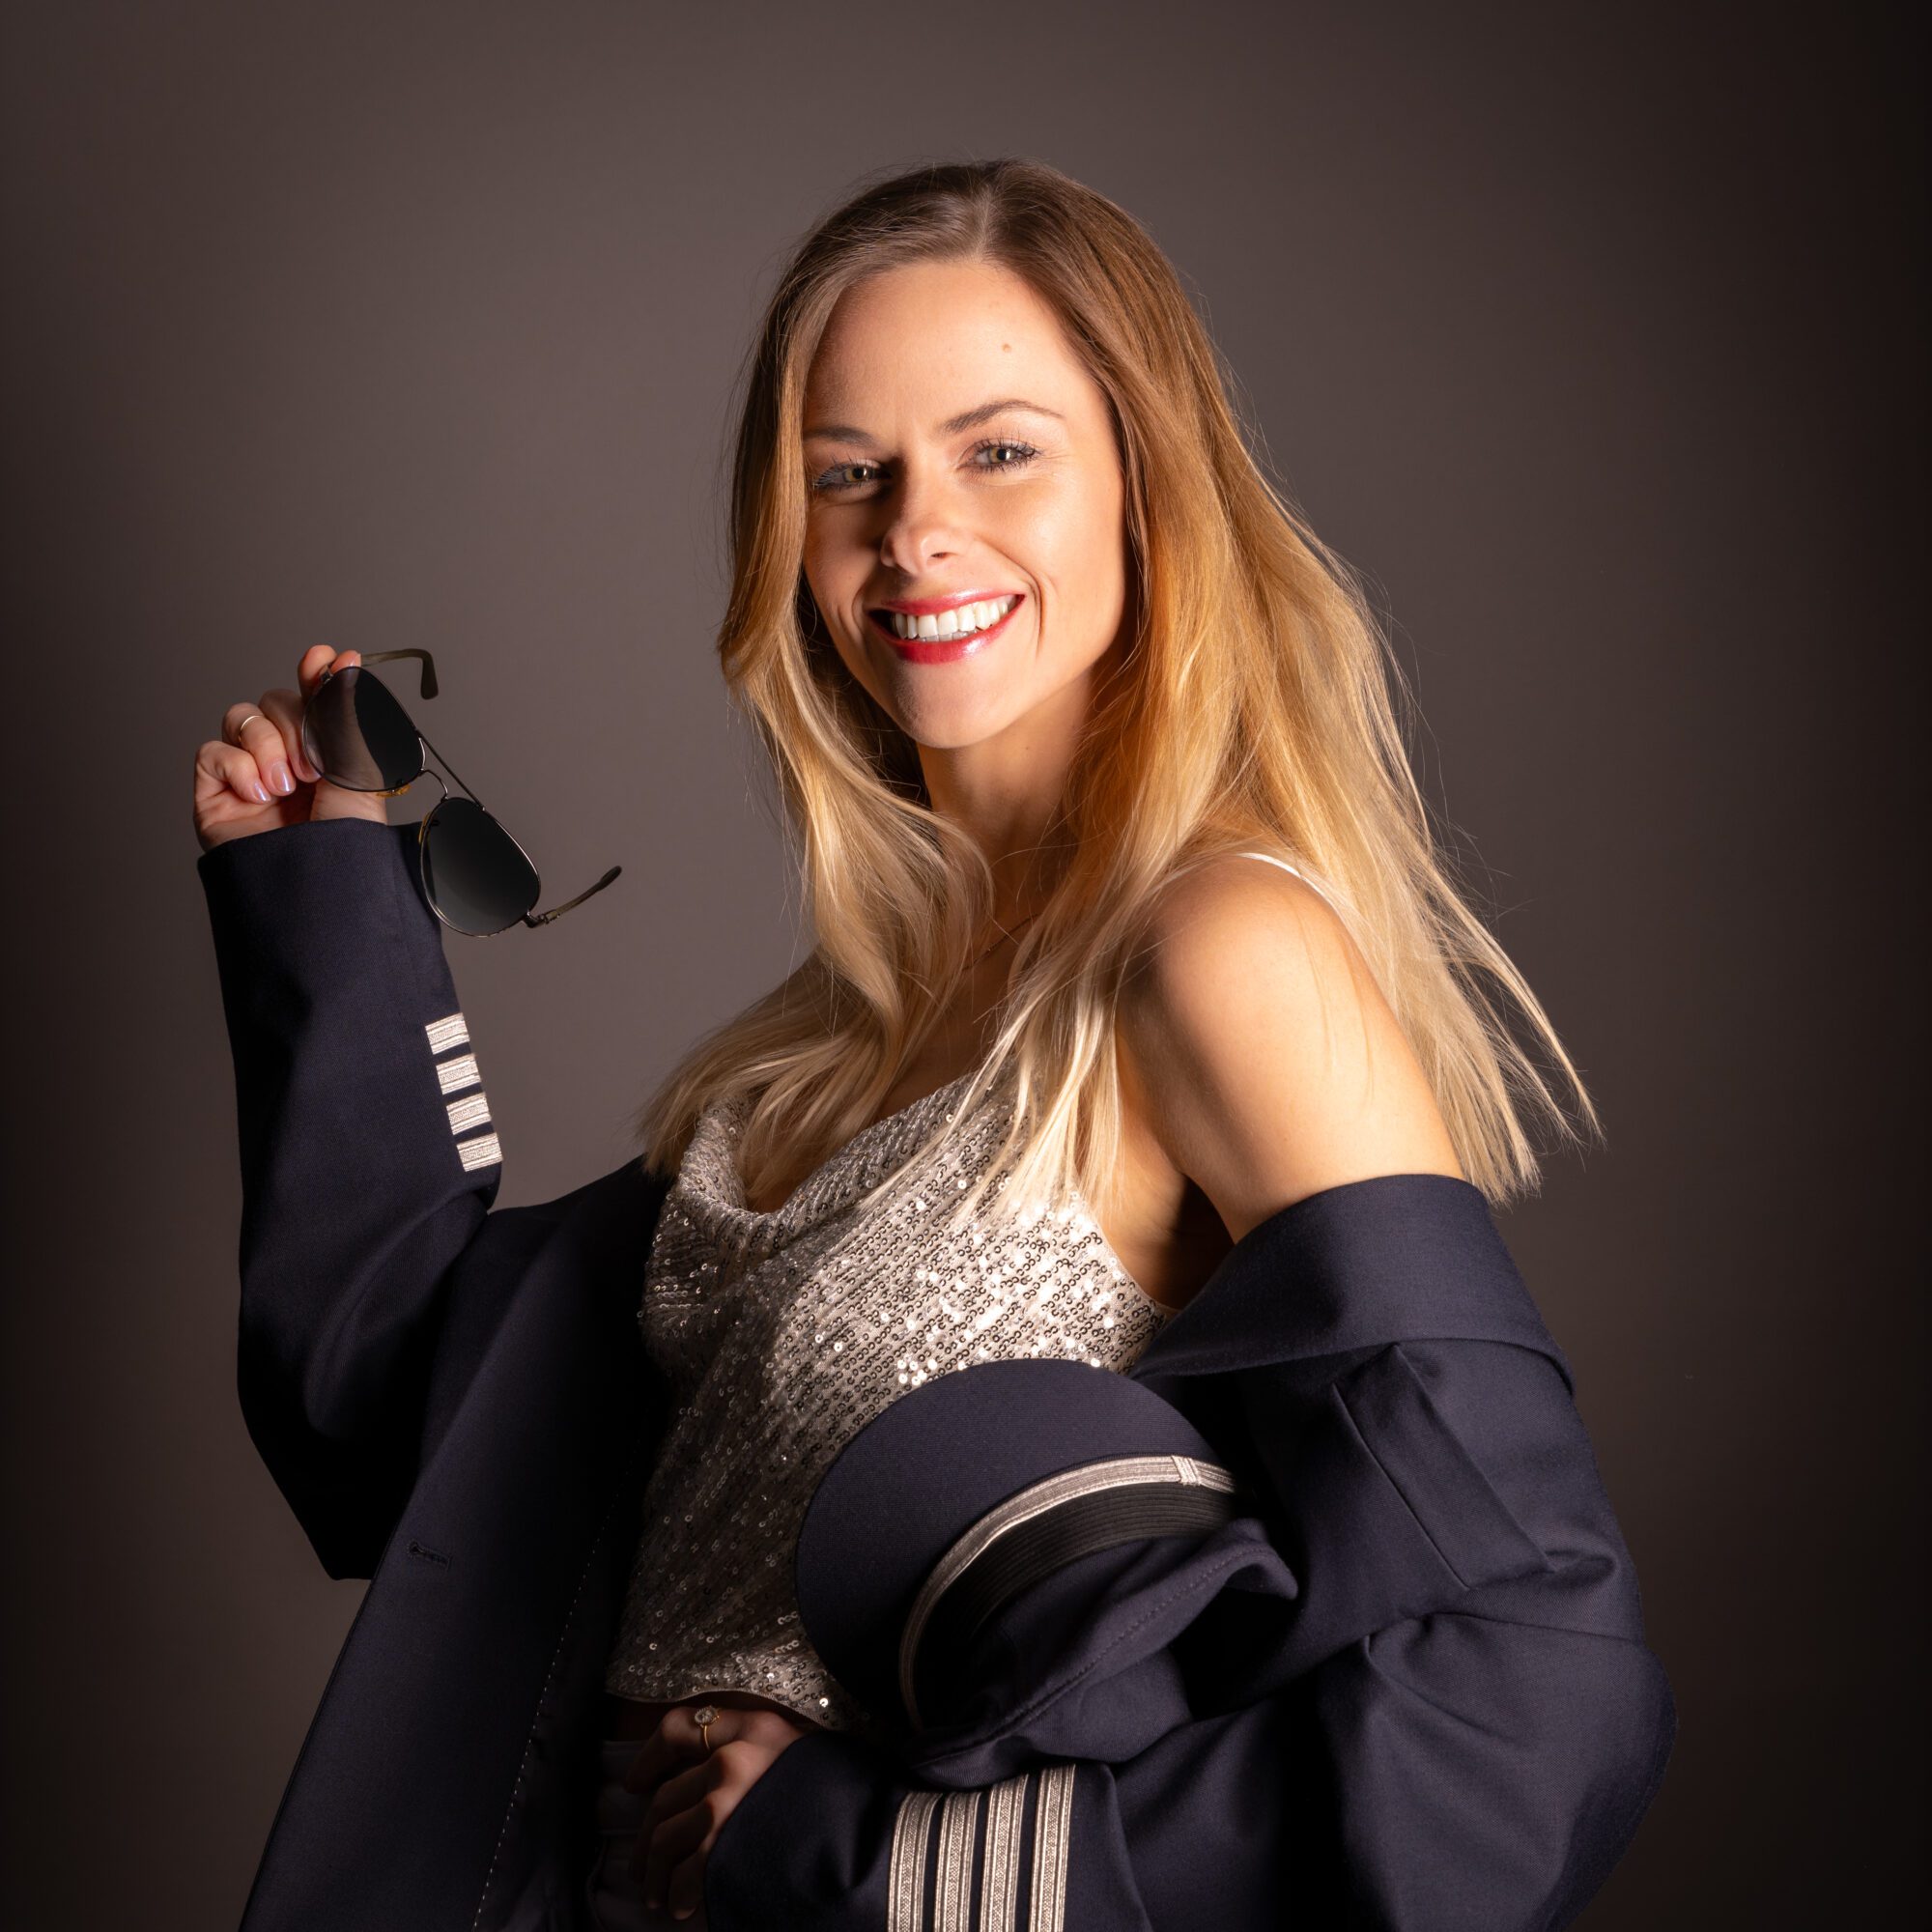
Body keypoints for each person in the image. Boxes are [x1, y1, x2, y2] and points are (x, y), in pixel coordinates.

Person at [192, 158, 1672, 1931]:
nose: (913, 533)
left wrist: (881, 1862)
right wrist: (324, 900)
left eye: (999, 451)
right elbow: (385, 1441)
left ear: (1149, 487)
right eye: (849, 474)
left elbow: (1531, 1702)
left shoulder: (1222, 954)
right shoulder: (821, 1051)